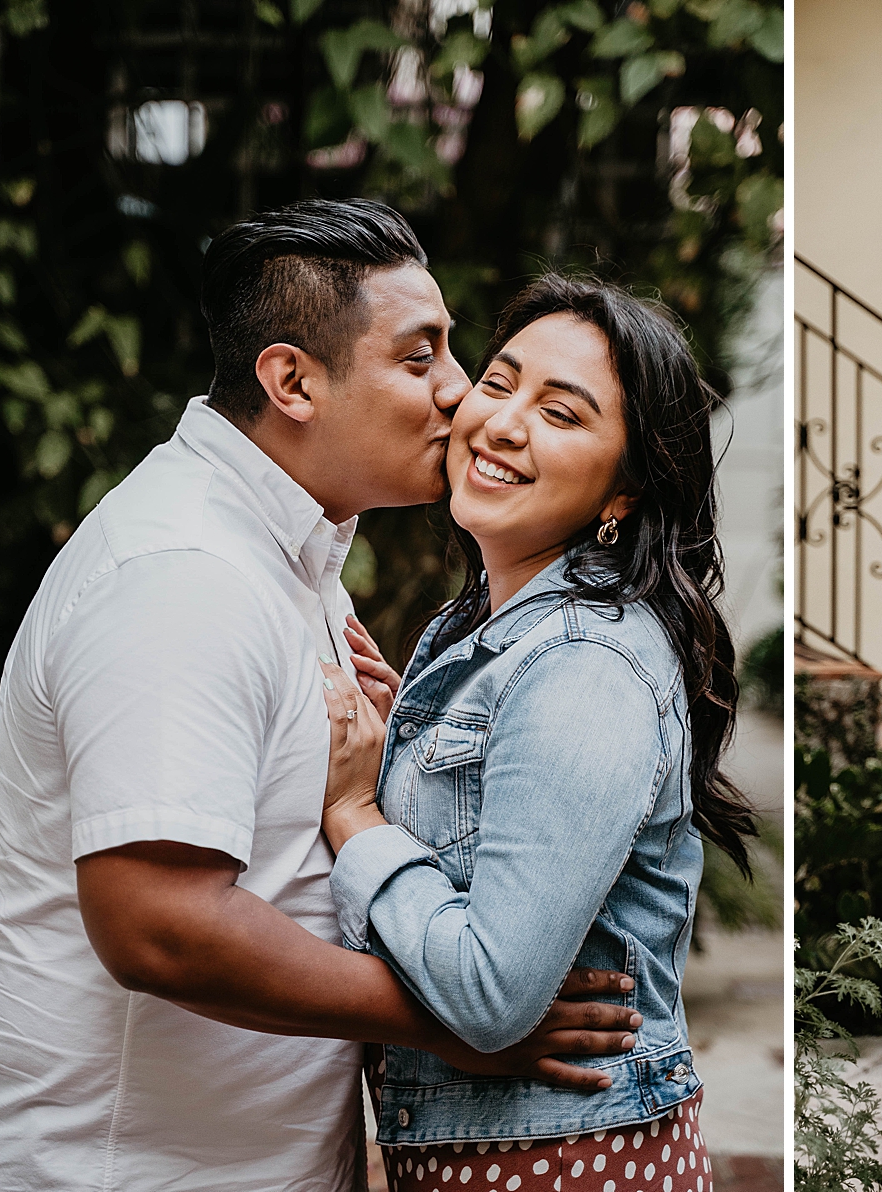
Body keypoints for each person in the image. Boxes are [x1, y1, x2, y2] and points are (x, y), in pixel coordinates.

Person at [0, 201, 640, 1191]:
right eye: (419, 357)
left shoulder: (289, 556)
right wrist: (455, 1020)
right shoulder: (183, 575)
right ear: (292, 381)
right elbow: (157, 922)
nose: (459, 390)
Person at [313, 275, 750, 1191]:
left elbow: (489, 994)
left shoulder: (586, 662)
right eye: (500, 383)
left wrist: (358, 815)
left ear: (624, 492)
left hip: (566, 1161)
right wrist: (409, 750)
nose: (504, 424)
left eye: (561, 413)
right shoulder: (479, 629)